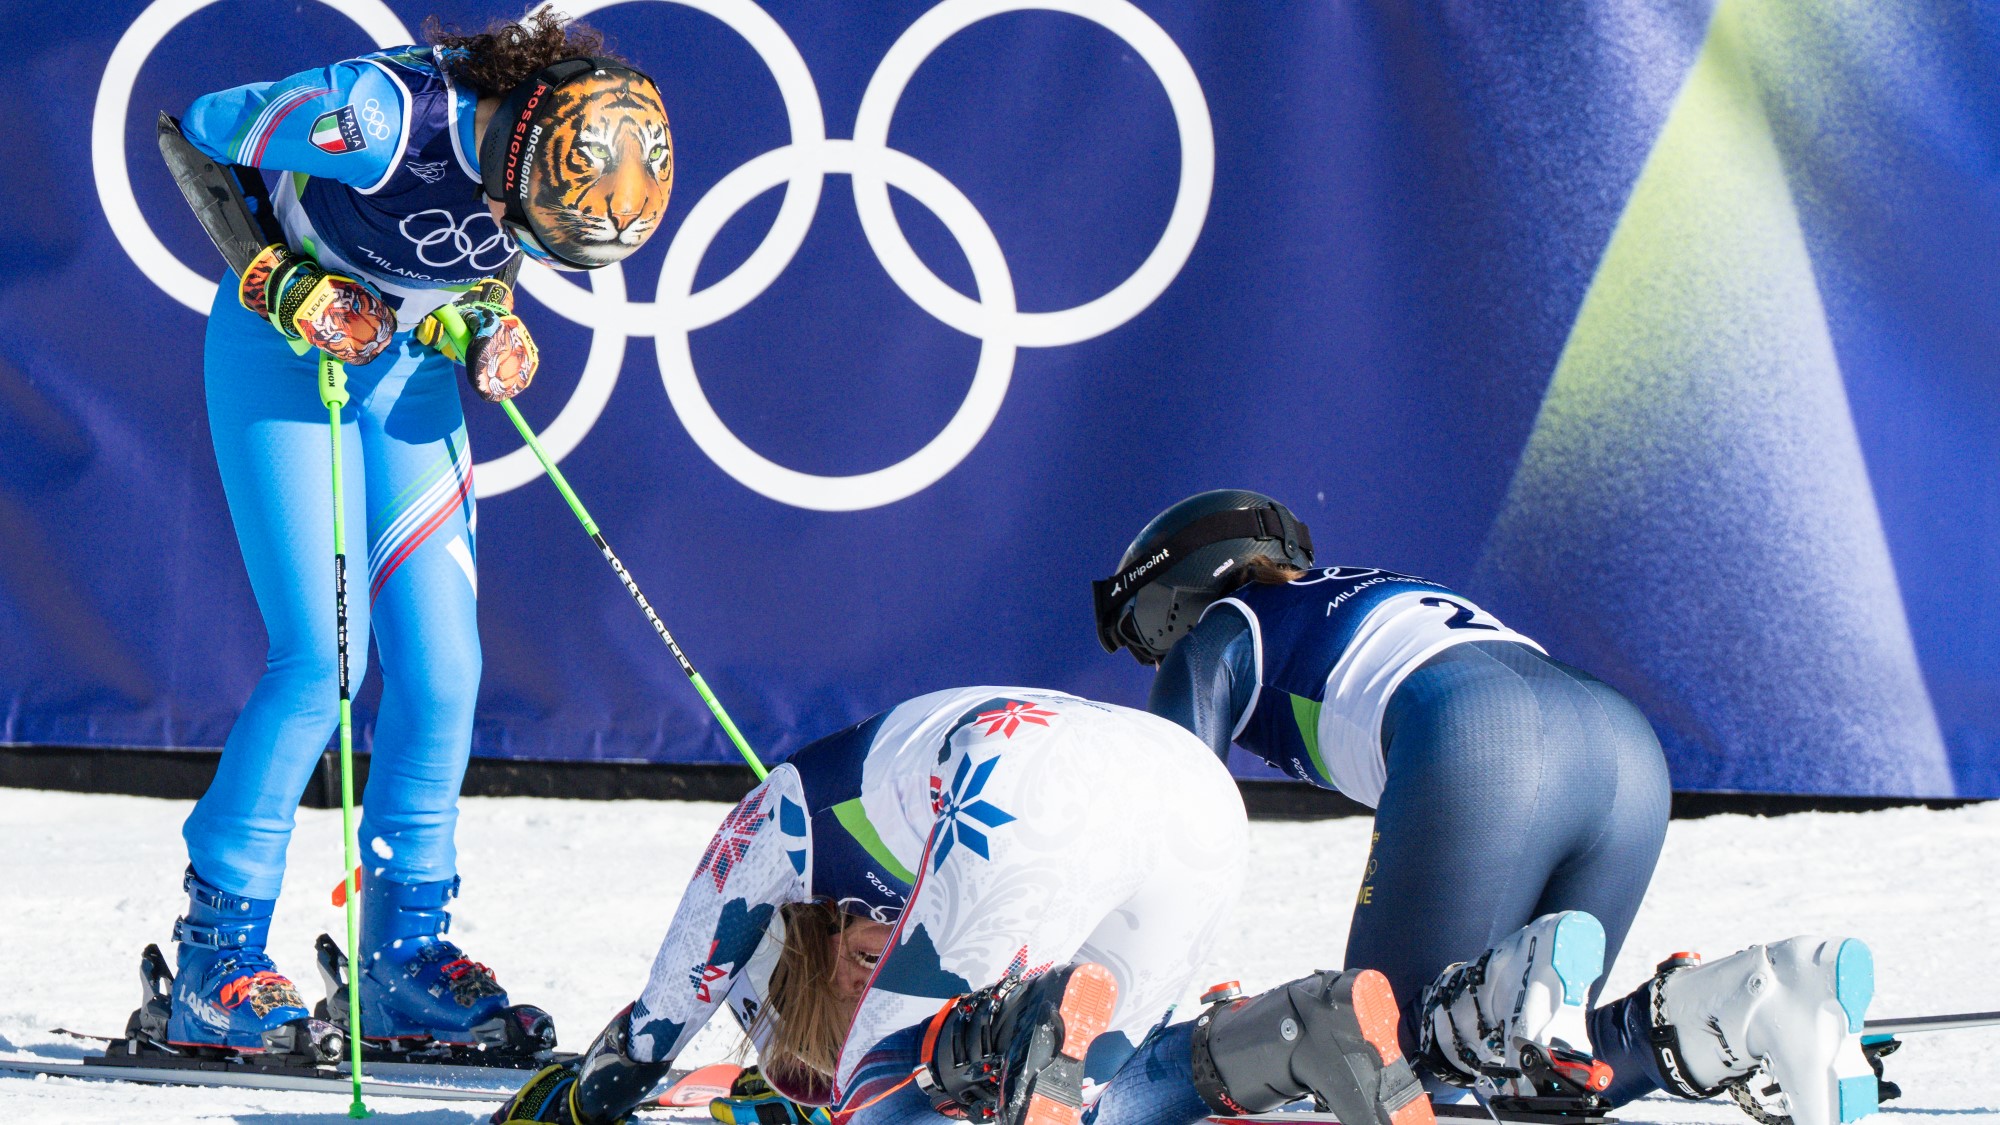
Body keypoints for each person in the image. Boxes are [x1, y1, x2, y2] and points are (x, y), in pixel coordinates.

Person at [159, 11, 674, 1056]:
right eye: (526, 228)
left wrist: (483, 311)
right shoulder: (377, 120)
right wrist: (282, 278)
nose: (522, 246)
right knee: (324, 664)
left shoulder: (541, 147)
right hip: (284, 363)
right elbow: (197, 132)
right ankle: (215, 957)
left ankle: (403, 959)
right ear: (515, 151)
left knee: (443, 673)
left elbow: (485, 247)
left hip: (407, 376)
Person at [1091, 490, 1881, 1125]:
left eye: (1144, 633)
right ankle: (1749, 1006)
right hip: (1624, 750)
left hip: (1480, 740)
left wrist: (1113, 1031)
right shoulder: (1361, 584)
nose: (1155, 656)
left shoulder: (1217, 631)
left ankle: (1549, 1003)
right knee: (1534, 1066)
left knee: (1381, 1056)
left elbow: (1169, 825)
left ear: (1172, 595)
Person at [491, 687, 1437, 1125]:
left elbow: (664, 1011)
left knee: (889, 1094)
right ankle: (1302, 1029)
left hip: (1033, 776)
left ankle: (1013, 1023)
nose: (871, 980)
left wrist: (572, 1103)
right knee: (1099, 1101)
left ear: (791, 951)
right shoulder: (896, 862)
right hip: (1192, 795)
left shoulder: (778, 823)